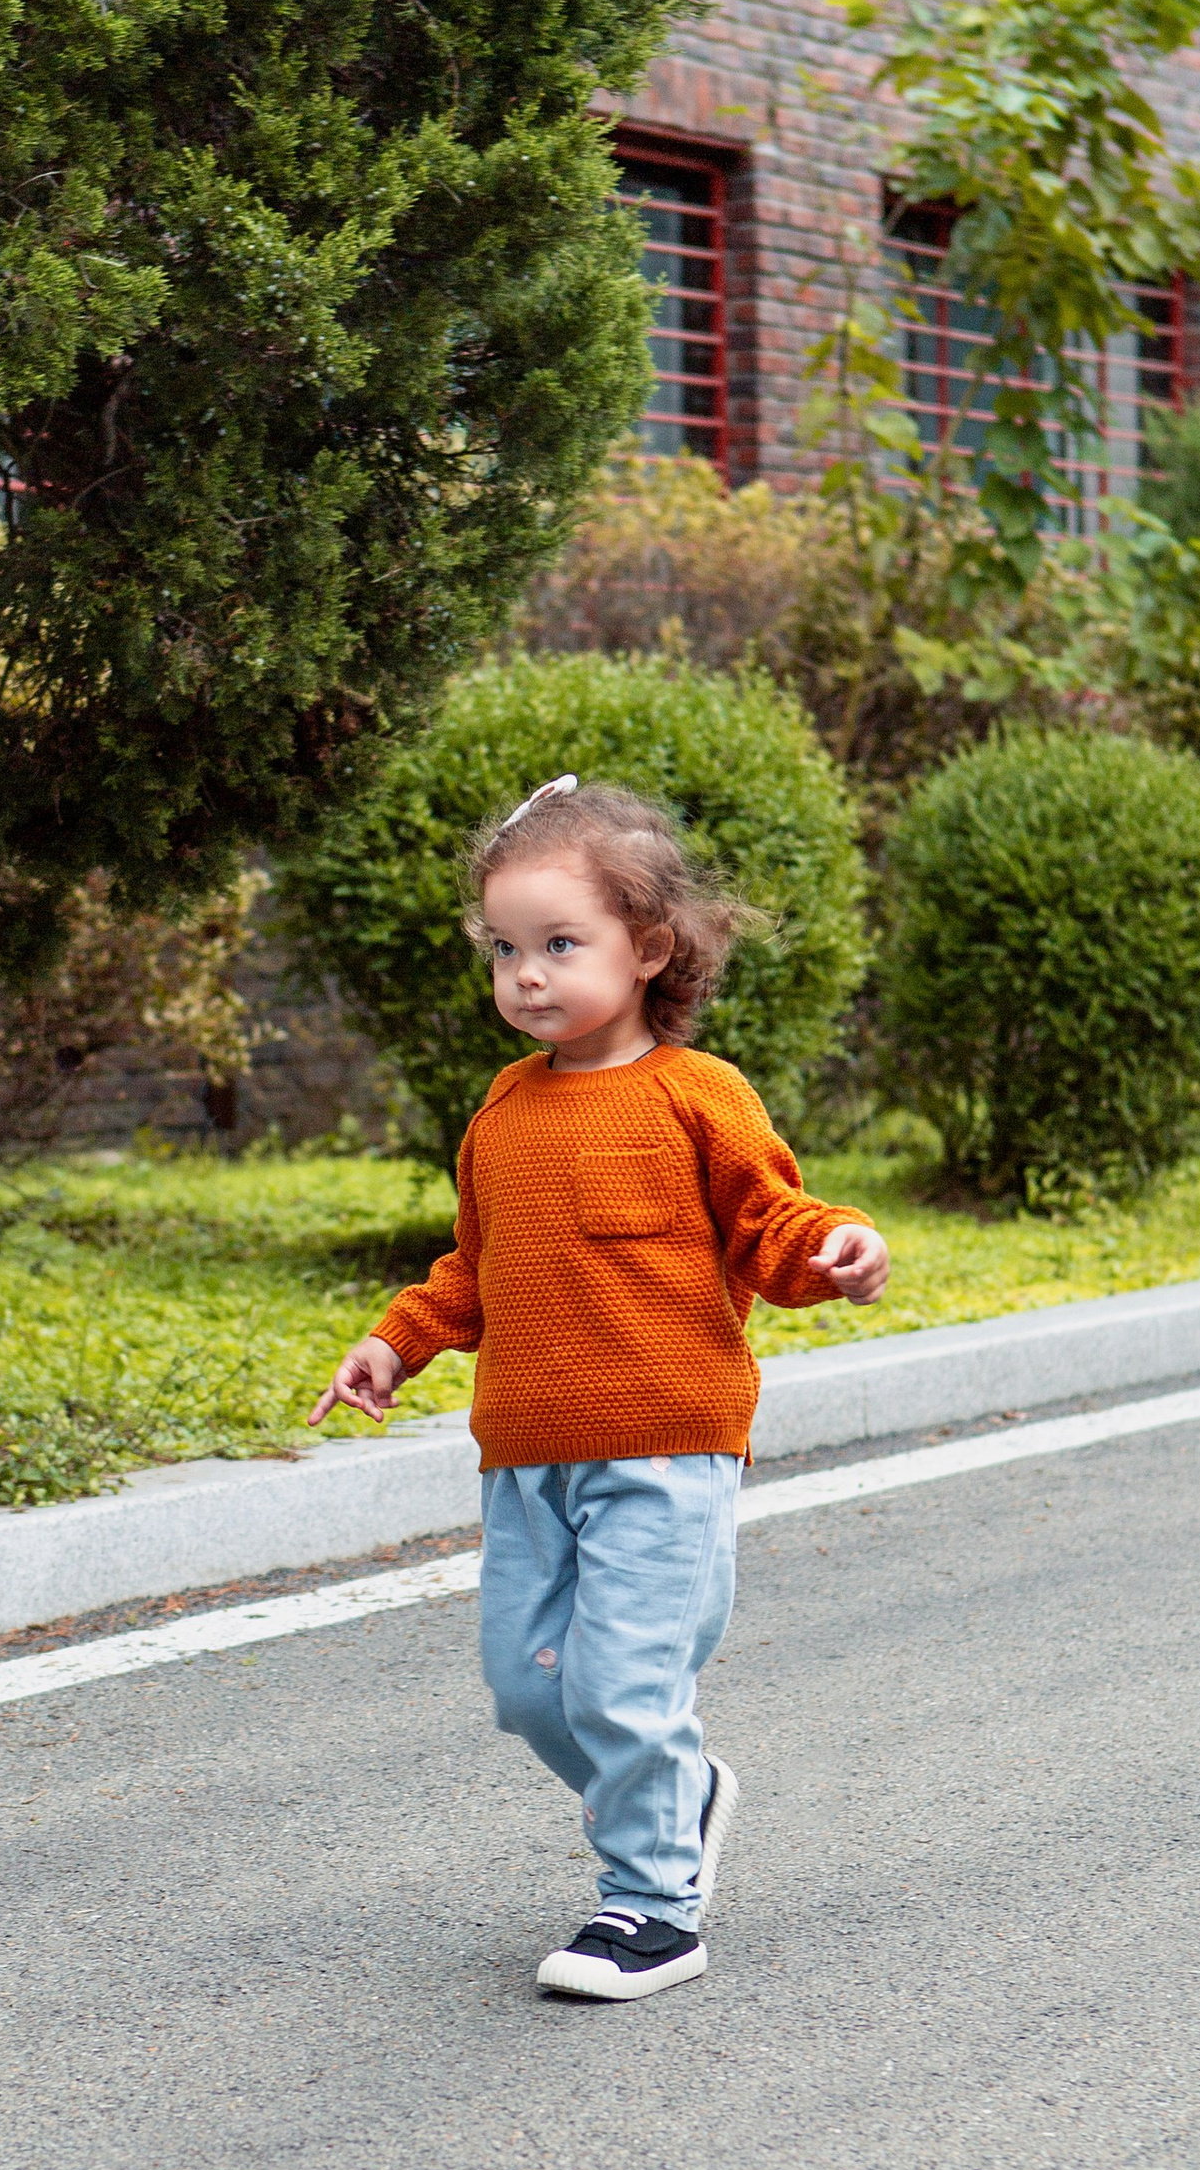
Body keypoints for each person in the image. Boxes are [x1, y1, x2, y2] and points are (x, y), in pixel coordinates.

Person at [308, 773, 890, 2001]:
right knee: (529, 1696)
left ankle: (650, 1909)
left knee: (623, 1685)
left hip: (662, 1451)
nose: (527, 974)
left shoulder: (696, 1094)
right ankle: (678, 1795)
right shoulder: (503, 1111)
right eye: (506, 950)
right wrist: (397, 1341)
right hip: (526, 1453)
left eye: (559, 944)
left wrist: (836, 1250)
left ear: (650, 948)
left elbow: (771, 1221)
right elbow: (475, 1265)